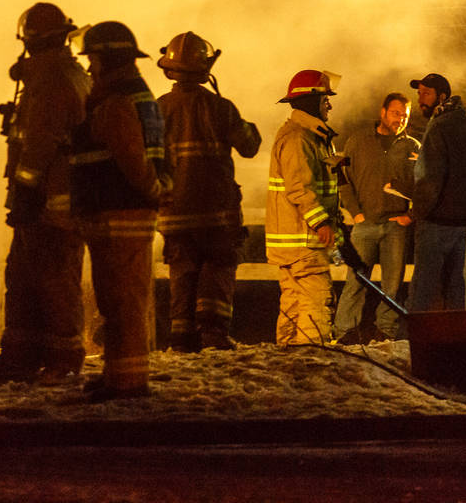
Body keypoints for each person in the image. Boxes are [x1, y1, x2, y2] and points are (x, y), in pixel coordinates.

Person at [0, 3, 92, 384]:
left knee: (56, 280)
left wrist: (25, 188)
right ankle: (20, 356)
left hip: (50, 201)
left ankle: (64, 359)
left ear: (30, 40)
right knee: (24, 277)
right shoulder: (63, 74)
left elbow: (41, 140)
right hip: (41, 199)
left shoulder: (53, 79)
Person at [70, 21, 170, 402]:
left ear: (105, 59)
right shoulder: (129, 94)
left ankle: (126, 383)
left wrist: (151, 191)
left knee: (123, 301)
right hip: (118, 211)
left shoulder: (115, 101)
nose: (90, 67)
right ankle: (119, 376)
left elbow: (131, 159)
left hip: (120, 212)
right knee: (117, 299)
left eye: (92, 59)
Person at [155, 31, 261, 352]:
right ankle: (213, 336)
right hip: (218, 215)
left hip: (174, 213)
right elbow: (250, 146)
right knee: (217, 270)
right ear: (205, 68)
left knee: (182, 273)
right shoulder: (220, 108)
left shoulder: (157, 109)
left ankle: (181, 339)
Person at [266, 69, 343, 345]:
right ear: (311, 102)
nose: (329, 105)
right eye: (325, 100)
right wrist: (322, 223)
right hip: (304, 242)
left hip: (295, 243)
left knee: (293, 305)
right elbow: (300, 188)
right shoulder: (300, 139)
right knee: (314, 302)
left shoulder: (308, 136)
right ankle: (314, 361)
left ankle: (288, 365)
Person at [334, 92, 418, 344]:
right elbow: (343, 178)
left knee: (392, 285)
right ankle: (345, 332)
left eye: (404, 116)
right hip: (365, 223)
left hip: (396, 226)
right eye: (395, 114)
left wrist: (410, 216)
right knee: (356, 281)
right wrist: (355, 212)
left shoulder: (412, 147)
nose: (400, 120)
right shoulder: (358, 141)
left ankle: (386, 332)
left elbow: (423, 185)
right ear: (382, 112)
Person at [407, 72, 466, 312]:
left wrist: (417, 212)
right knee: (454, 286)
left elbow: (430, 177)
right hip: (459, 222)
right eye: (419, 93)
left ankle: (411, 340)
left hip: (436, 221)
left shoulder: (439, 126)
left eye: (426, 94)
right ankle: (455, 337)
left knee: (423, 287)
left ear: (442, 96)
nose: (421, 99)